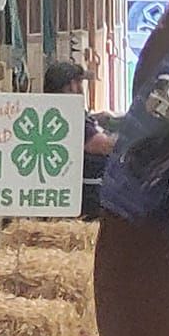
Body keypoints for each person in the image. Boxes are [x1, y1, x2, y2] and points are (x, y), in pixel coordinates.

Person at [44, 59, 116, 218]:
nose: (82, 89)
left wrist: (100, 118)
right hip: (88, 197)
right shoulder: (70, 117)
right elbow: (103, 145)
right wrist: (131, 137)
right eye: (79, 83)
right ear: (70, 86)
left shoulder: (56, 112)